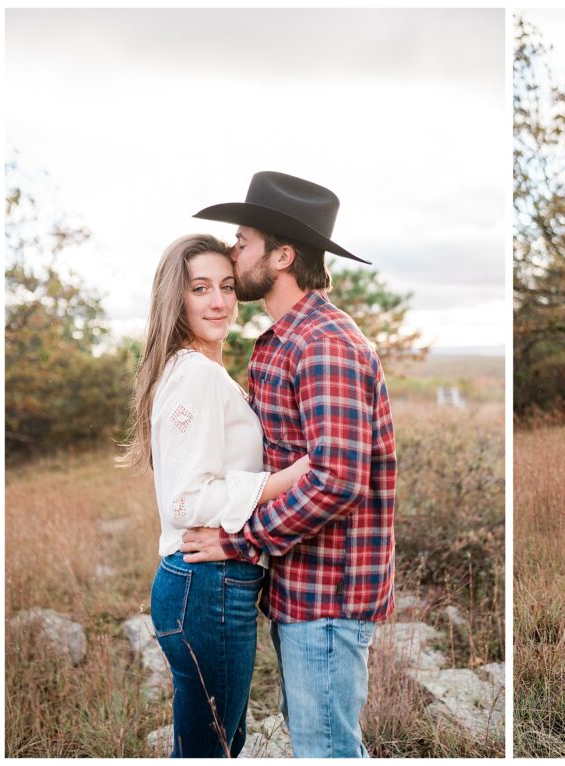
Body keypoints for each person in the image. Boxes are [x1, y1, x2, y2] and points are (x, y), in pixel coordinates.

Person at [179, 171, 397, 758]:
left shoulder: (324, 344)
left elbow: (337, 480)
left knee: (326, 751)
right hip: (298, 586)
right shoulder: (281, 340)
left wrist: (239, 541)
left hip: (328, 594)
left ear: (281, 255)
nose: (233, 250)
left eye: (243, 240)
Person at [120, 234, 310, 757]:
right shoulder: (196, 375)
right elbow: (185, 502)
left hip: (204, 584)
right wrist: (297, 473)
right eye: (200, 288)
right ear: (175, 299)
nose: (220, 301)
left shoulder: (198, 370)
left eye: (227, 286)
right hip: (207, 585)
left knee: (215, 743)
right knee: (212, 749)